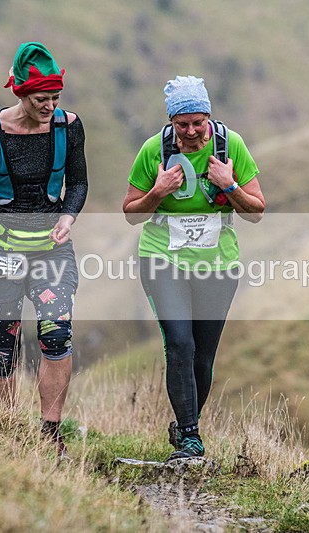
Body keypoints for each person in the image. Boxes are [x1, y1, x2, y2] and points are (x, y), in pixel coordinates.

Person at [122, 75, 265, 461]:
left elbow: (257, 211)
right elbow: (131, 213)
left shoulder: (230, 145)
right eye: (181, 125)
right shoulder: (154, 150)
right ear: (170, 122)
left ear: (208, 117)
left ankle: (186, 425)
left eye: (197, 123)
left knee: (203, 356)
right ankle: (189, 438)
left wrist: (230, 185)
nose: (189, 132)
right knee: (180, 345)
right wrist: (159, 191)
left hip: (217, 264)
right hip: (162, 259)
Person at [0, 42, 87, 456]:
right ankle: (4, 433)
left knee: (56, 334)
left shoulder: (69, 126)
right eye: (40, 99)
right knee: (2, 341)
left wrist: (68, 215)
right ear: (19, 93)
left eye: (54, 97)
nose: (49, 106)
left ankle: (50, 435)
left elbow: (79, 182)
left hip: (50, 252)